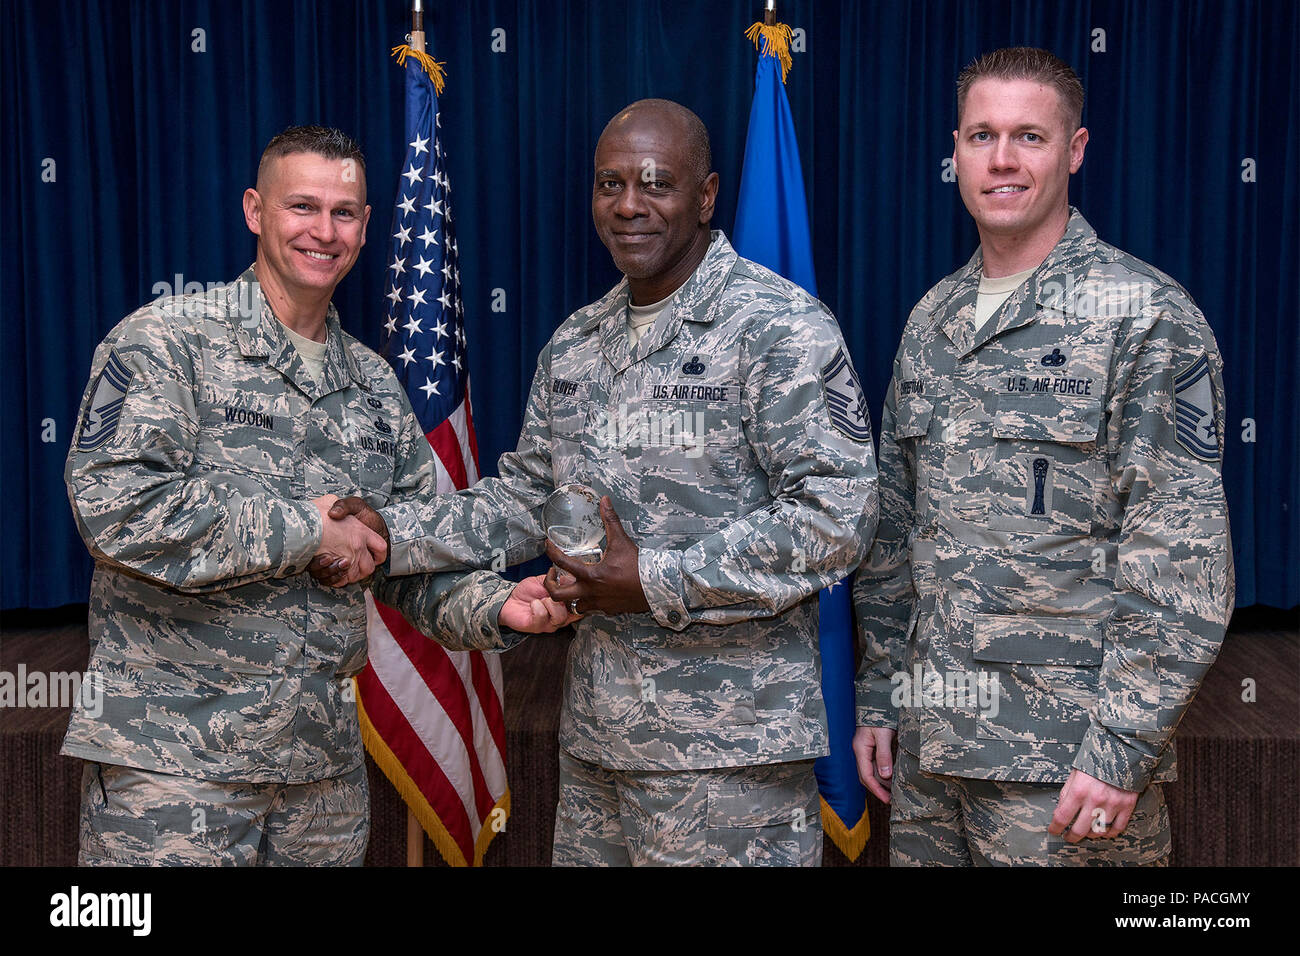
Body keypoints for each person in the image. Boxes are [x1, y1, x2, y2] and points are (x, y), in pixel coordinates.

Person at [321, 99, 879, 866]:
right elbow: (527, 497)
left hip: (726, 758)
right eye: (609, 183)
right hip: (596, 744)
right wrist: (391, 530)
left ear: (707, 195)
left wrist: (655, 579)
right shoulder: (578, 343)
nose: (628, 205)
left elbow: (838, 515)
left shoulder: (779, 328)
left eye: (656, 183)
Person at [63, 125, 570, 866]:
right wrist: (306, 530)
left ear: (366, 228)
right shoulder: (165, 344)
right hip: (175, 766)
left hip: (319, 780)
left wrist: (498, 606)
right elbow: (115, 508)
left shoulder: (373, 386)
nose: (322, 231)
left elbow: (400, 556)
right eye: (302, 206)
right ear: (254, 210)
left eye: (344, 212)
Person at [851, 48, 1234, 866]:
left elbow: (1183, 555)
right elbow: (894, 533)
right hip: (931, 746)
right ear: (953, 150)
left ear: (1077, 148)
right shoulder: (933, 319)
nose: (1002, 160)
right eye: (982, 135)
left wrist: (1122, 746)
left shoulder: (1145, 317)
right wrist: (881, 696)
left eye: (1029, 136)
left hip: (1063, 762)